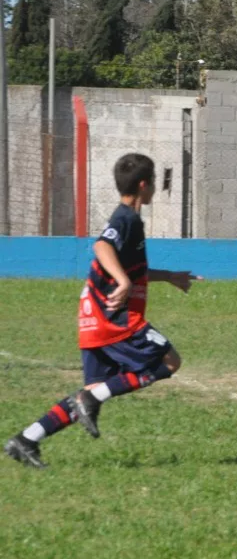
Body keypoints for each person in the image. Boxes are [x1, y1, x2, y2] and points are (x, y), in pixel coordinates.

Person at [5, 153, 198, 469]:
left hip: (92, 318)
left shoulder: (130, 219)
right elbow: (101, 246)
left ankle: (26, 439)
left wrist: (169, 276)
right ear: (143, 185)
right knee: (169, 361)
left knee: (96, 388)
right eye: (154, 184)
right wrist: (122, 280)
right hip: (114, 319)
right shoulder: (126, 219)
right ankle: (90, 401)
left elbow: (128, 268)